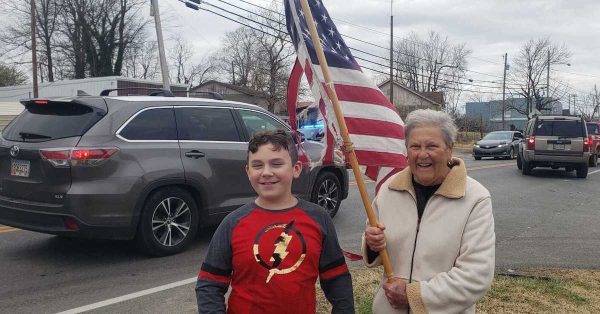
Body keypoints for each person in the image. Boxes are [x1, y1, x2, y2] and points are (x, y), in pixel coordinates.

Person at [196, 129, 354, 313]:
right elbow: (209, 284)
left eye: (276, 164)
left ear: (296, 169)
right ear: (248, 171)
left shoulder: (318, 218)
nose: (266, 172)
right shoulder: (232, 223)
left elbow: (337, 278)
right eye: (257, 165)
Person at [362, 109, 495, 314]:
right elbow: (377, 243)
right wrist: (372, 244)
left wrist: (414, 295)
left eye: (432, 146)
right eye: (415, 146)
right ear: (407, 150)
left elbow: (475, 276)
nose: (422, 154)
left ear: (450, 149)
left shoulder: (475, 199)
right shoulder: (389, 190)